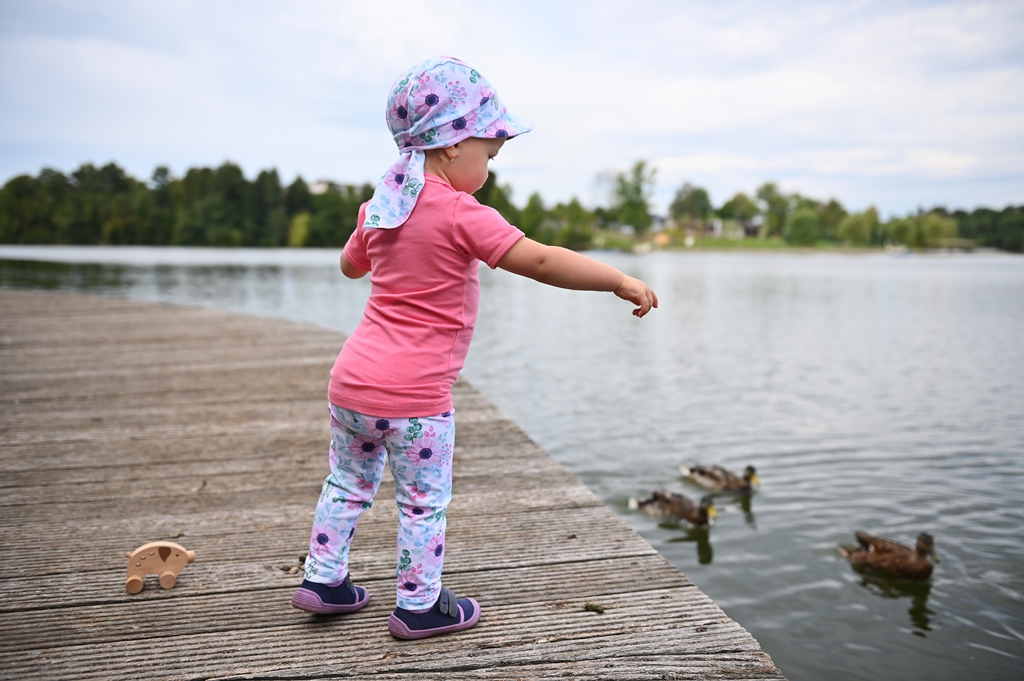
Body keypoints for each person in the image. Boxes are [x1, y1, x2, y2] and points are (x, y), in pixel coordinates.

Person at [291, 56, 658, 641]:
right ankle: (418, 605)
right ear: (451, 146)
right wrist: (616, 279)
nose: (489, 168)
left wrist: (376, 233)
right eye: (489, 155)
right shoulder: (461, 212)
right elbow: (541, 260)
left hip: (351, 385)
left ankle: (325, 579)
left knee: (348, 483)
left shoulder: (381, 204)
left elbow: (349, 266)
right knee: (422, 503)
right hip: (415, 401)